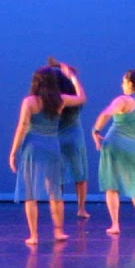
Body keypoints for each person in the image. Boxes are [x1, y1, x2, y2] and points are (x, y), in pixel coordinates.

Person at [9, 63, 86, 245]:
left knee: (30, 193)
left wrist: (13, 152)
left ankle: (34, 235)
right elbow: (81, 98)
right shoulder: (60, 100)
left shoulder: (29, 102)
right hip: (52, 146)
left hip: (33, 147)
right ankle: (58, 232)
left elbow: (22, 127)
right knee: (54, 192)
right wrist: (72, 77)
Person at [92, 38, 135, 235]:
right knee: (134, 184)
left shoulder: (123, 100)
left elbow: (106, 113)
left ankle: (115, 224)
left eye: (123, 81)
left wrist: (95, 131)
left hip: (114, 145)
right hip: (133, 148)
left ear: (130, 84)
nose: (122, 84)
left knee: (111, 185)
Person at [48, 57, 91, 219]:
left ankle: (59, 206)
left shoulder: (52, 101)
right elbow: (82, 96)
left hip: (56, 138)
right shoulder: (73, 100)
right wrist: (72, 77)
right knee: (80, 173)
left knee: (57, 175)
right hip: (74, 138)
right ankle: (81, 209)